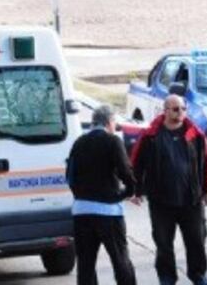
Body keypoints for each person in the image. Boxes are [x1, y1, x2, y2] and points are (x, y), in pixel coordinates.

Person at [130, 94, 207, 285]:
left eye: (184, 109)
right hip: (161, 201)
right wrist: (136, 191)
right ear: (165, 110)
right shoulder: (151, 135)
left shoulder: (196, 134)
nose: (181, 112)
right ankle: (167, 277)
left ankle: (198, 274)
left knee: (196, 240)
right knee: (163, 243)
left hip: (191, 200)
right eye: (176, 109)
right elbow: (136, 163)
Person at [67, 104, 137, 285]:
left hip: (82, 212)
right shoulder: (113, 141)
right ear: (109, 122)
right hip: (108, 212)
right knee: (120, 260)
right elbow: (125, 172)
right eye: (115, 122)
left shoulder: (78, 143)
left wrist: (80, 195)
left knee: (86, 265)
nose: (115, 127)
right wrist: (129, 191)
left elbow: (70, 177)